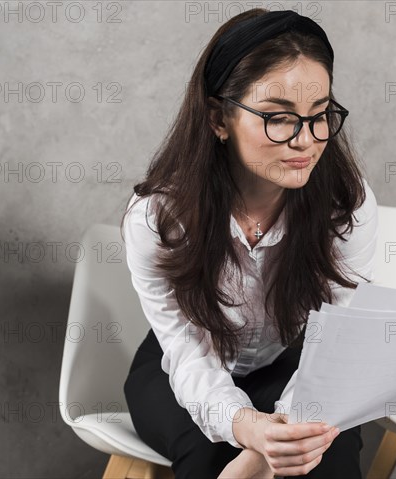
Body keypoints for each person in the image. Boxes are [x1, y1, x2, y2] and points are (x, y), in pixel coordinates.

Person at [121, 8, 379, 479]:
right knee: (206, 454)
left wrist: (263, 453)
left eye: (319, 115)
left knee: (325, 454)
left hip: (291, 360)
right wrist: (244, 428)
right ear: (219, 118)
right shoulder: (159, 218)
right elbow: (186, 351)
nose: (306, 141)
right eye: (279, 118)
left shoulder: (346, 203)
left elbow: (337, 340)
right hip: (178, 361)